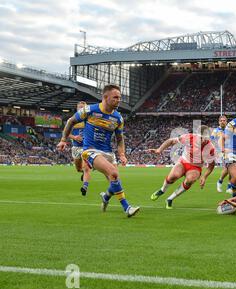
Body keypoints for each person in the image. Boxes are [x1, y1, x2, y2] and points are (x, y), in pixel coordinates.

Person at [56, 84, 140, 217]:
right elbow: (71, 121)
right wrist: (63, 139)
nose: (119, 100)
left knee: (114, 180)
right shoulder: (89, 110)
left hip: (108, 152)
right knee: (113, 173)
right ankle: (127, 208)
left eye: (120, 97)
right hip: (90, 150)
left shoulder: (118, 118)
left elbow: (119, 138)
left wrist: (122, 154)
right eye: (115, 97)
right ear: (105, 97)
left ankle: (106, 197)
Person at [148, 125, 216, 209]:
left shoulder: (210, 148)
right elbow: (171, 141)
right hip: (184, 161)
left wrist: (204, 177)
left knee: (190, 180)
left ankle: (170, 199)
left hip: (195, 167)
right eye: (200, 138)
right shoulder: (189, 137)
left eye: (204, 138)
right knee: (173, 177)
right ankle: (162, 190)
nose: (202, 140)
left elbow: (211, 165)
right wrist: (159, 150)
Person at [68, 101, 92, 196]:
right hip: (75, 147)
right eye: (80, 108)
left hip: (86, 147)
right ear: (77, 109)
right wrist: (75, 137)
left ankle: (85, 185)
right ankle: (85, 171)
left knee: (86, 168)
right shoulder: (72, 120)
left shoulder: (90, 120)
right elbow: (66, 133)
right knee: (78, 169)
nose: (81, 109)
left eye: (83, 107)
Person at [210, 115, 230, 193]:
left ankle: (229, 186)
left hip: (231, 151)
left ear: (226, 121)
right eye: (221, 120)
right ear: (219, 122)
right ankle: (220, 181)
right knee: (229, 166)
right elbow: (211, 141)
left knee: (233, 168)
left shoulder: (230, 130)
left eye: (224, 120)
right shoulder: (216, 131)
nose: (222, 122)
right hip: (222, 151)